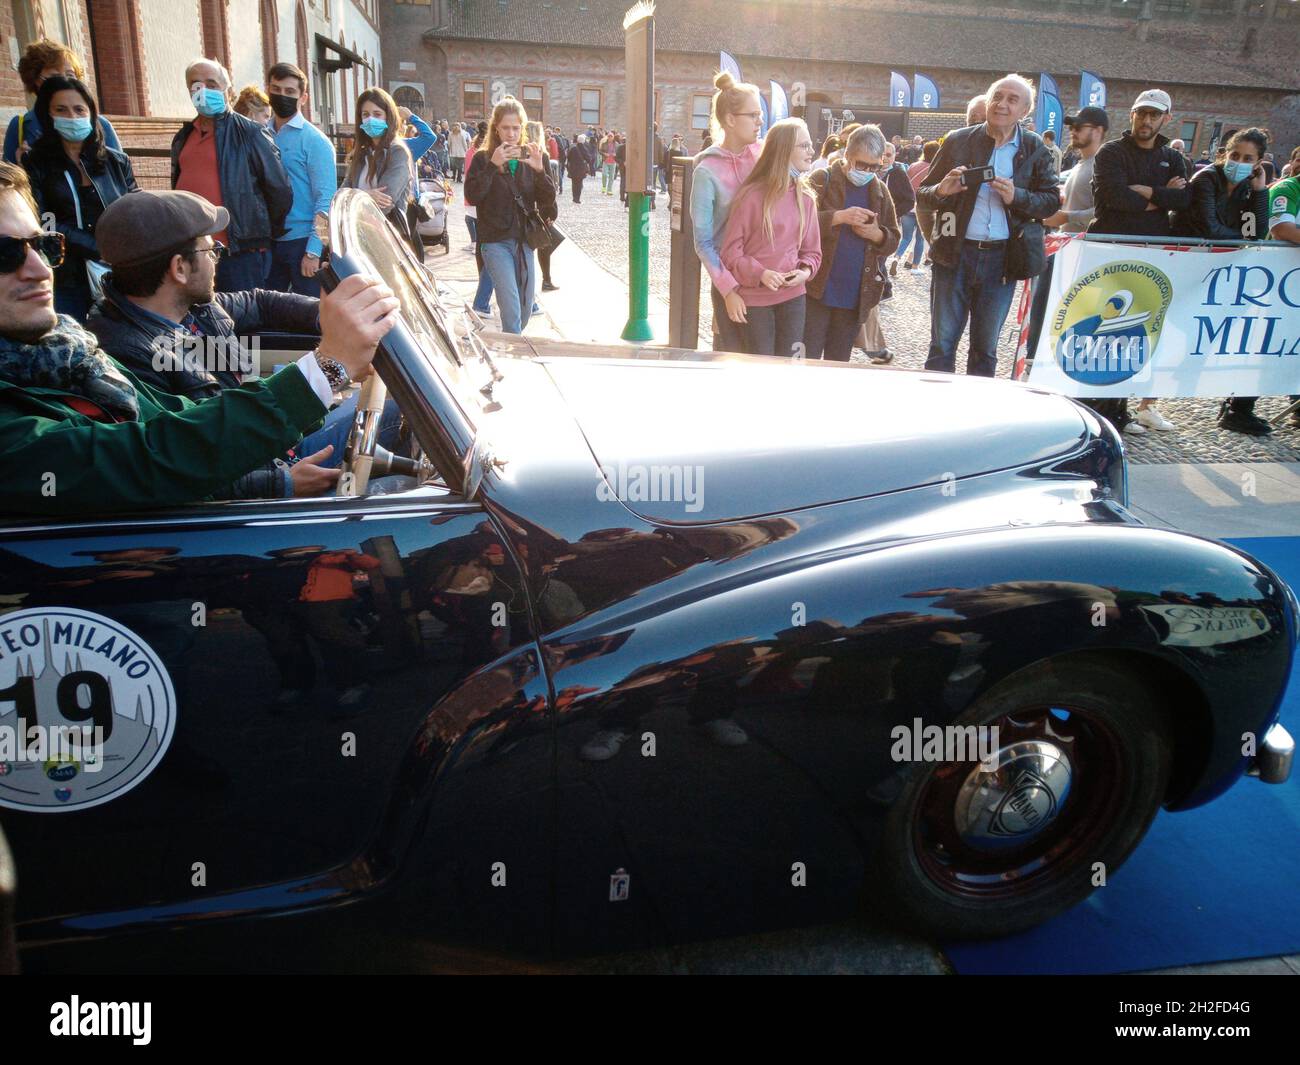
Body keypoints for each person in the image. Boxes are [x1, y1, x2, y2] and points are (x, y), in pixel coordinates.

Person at [0, 162, 399, 515]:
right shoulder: (122, 348)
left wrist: (333, 324)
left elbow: (181, 414)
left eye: (43, 246)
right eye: (6, 254)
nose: (39, 268)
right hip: (237, 496)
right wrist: (324, 370)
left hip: (260, 448)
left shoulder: (72, 354)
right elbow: (160, 454)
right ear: (178, 268)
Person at [918, 74, 1058, 378]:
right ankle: (934, 411)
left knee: (985, 348)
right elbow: (923, 195)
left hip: (1002, 260)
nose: (1002, 105)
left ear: (1025, 111)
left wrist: (1016, 196)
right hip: (955, 255)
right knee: (942, 344)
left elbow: (1050, 202)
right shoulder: (958, 140)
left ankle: (978, 418)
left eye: (1012, 99)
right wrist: (943, 190)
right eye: (998, 97)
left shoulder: (1034, 148)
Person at [1089, 88, 1191, 433]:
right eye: (1141, 113)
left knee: (1137, 333)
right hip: (1111, 253)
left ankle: (1124, 408)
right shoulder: (1112, 152)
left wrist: (1146, 193)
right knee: (1105, 331)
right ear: (1131, 114)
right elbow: (1110, 196)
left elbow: (1185, 198)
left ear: (1166, 118)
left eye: (1154, 115)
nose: (1146, 121)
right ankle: (1104, 410)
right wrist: (1162, 196)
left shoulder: (1172, 157)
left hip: (1152, 255)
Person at [1168, 127, 1269, 436]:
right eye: (1234, 155)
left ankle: (1198, 393)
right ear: (1225, 153)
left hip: (1215, 269)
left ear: (1257, 162)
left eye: (1247, 158)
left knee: (1207, 332)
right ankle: (1146, 398)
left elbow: (1256, 231)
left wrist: (1261, 192)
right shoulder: (1207, 179)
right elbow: (1210, 227)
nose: (1237, 161)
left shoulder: (1248, 188)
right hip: (1181, 263)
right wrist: (1241, 240)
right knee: (1172, 328)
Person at [21, 76, 137, 321]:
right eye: (61, 110)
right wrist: (96, 248)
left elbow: (134, 208)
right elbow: (42, 220)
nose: (72, 117)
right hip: (66, 275)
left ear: (91, 113)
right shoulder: (36, 163)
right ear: (48, 115)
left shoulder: (116, 161)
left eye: (79, 109)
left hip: (116, 271)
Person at [172, 58, 292, 294]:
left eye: (212, 84)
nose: (204, 91)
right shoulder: (183, 137)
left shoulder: (250, 133)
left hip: (238, 253)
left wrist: (257, 234)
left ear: (228, 90)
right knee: (203, 323)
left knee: (246, 326)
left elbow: (280, 191)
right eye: (196, 85)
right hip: (193, 252)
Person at [717, 118, 822, 358]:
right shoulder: (751, 196)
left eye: (810, 145)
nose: (811, 151)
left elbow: (812, 253)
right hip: (754, 302)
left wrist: (805, 272)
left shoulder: (806, 199)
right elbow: (730, 253)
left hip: (794, 299)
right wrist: (761, 274)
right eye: (804, 146)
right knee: (758, 369)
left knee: (787, 370)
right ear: (784, 150)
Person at [803, 123, 900, 362]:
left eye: (874, 167)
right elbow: (797, 223)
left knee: (838, 362)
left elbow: (893, 237)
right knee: (807, 357)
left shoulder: (879, 190)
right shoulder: (821, 179)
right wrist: (837, 217)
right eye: (861, 164)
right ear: (847, 156)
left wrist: (876, 234)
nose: (867, 171)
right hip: (816, 290)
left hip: (854, 296)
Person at [464, 96, 555, 334]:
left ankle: (513, 343)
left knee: (525, 311)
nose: (511, 133)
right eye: (506, 127)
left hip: (525, 241)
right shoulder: (483, 158)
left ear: (523, 128)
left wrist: (539, 171)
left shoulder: (534, 157)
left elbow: (548, 201)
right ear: (496, 128)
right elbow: (473, 196)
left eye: (516, 128)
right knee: (512, 309)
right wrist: (492, 166)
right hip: (495, 242)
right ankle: (514, 356)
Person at [690, 71, 764, 352]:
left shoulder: (763, 155)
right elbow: (703, 242)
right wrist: (728, 290)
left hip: (766, 277)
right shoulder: (706, 170)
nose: (760, 122)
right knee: (729, 360)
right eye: (753, 115)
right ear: (731, 120)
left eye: (760, 115)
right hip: (730, 282)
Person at [264, 63, 335, 298]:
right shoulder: (260, 135)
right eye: (276, 89)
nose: (282, 96)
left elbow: (325, 200)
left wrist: (314, 251)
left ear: (303, 97)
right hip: (268, 241)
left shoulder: (315, 141)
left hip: (302, 242)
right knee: (269, 313)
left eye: (289, 92)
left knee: (308, 317)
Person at [4, 40, 122, 166]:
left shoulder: (99, 124)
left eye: (70, 75)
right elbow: (7, 181)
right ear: (35, 80)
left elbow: (121, 174)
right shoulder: (21, 126)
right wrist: (22, 167)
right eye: (55, 76)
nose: (64, 81)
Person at [341, 88, 415, 240]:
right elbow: (342, 194)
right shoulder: (361, 152)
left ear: (388, 117)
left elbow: (384, 203)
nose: (370, 119)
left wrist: (352, 197)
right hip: (355, 236)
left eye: (377, 114)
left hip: (384, 240)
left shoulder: (397, 152)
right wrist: (364, 196)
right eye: (365, 114)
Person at [527, 121, 560, 293]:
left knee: (532, 249)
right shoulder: (542, 156)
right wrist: (552, 213)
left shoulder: (523, 156)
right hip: (539, 210)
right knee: (543, 246)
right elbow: (549, 189)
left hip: (529, 208)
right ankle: (545, 280)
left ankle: (542, 281)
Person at [881, 140, 916, 278]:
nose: (885, 158)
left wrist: (893, 214)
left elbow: (909, 200)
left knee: (880, 257)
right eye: (882, 154)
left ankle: (883, 286)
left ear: (895, 156)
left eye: (889, 155)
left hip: (887, 224)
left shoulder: (898, 173)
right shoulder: (870, 171)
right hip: (869, 222)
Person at [904, 140, 939, 272]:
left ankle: (901, 257)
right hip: (924, 204)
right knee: (921, 237)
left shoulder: (913, 165)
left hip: (910, 203)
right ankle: (915, 265)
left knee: (906, 237)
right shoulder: (934, 168)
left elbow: (906, 181)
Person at [567, 133, 591, 204]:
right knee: (579, 184)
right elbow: (589, 159)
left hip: (573, 169)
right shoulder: (584, 149)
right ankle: (577, 198)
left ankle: (574, 197)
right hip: (581, 169)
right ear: (583, 141)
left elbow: (568, 157)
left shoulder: (573, 148)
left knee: (574, 184)